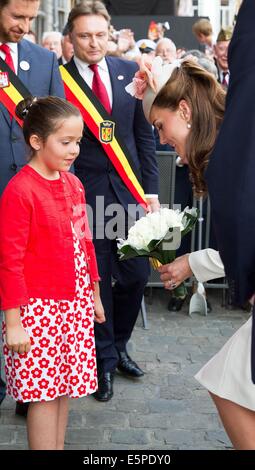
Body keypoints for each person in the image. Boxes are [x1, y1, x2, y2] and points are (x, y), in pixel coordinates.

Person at [128, 0, 255, 450]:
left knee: (228, 384)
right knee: (227, 381)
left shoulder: (233, 152)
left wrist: (191, 264)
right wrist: (189, 263)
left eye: (161, 127)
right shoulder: (221, 152)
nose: (161, 141)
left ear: (184, 110)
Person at [62, 1, 159, 402]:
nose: (94, 42)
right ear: (71, 39)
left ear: (110, 33)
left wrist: (151, 191)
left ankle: (118, 345)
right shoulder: (60, 78)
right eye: (85, 35)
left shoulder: (126, 72)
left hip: (130, 197)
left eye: (100, 34)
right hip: (85, 199)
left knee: (136, 276)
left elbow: (143, 137)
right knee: (97, 283)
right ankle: (102, 361)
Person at [0, 96, 105, 450]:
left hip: (73, 305)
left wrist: (94, 294)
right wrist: (13, 322)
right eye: (65, 142)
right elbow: (9, 261)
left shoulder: (73, 184)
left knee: (63, 389)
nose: (74, 149)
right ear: (36, 141)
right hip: (37, 311)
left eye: (77, 141)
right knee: (43, 395)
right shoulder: (20, 190)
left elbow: (84, 241)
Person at [0, 0, 64, 415]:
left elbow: (58, 129)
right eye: (16, 17)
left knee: (32, 293)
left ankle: (29, 385)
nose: (25, 26)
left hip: (33, 203)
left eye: (31, 18)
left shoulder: (45, 60)